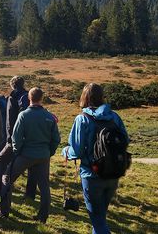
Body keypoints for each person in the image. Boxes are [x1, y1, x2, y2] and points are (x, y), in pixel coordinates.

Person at [63, 83, 129, 234]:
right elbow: (125, 140)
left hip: (91, 174)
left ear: (84, 97)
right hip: (113, 173)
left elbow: (77, 151)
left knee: (97, 220)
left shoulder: (82, 119)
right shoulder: (114, 116)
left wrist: (66, 151)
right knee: (101, 216)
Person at [0, 88, 60, 223]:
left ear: (29, 98)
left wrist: (17, 151)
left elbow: (16, 137)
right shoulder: (49, 116)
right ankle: (42, 217)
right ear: (42, 98)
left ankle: (4, 212)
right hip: (43, 155)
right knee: (44, 186)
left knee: (7, 178)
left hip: (25, 154)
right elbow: (56, 139)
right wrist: (49, 152)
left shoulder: (24, 115)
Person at [0, 76, 36, 197]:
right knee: (32, 166)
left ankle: (1, 188)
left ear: (12, 85)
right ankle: (30, 193)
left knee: (1, 160)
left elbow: (10, 120)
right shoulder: (29, 96)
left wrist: (9, 138)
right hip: (29, 138)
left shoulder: (13, 97)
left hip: (14, 137)